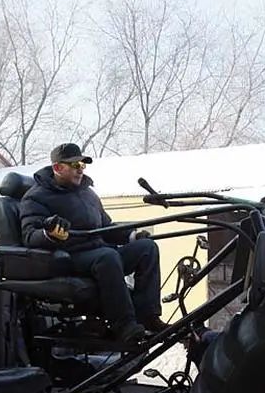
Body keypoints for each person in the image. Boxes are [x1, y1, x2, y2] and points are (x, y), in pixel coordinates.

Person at [19, 143, 164, 341]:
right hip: (69, 257)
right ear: (58, 168)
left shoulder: (88, 193)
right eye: (75, 165)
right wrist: (50, 233)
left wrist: (132, 235)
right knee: (108, 256)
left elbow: (106, 227)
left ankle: (148, 317)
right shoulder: (36, 198)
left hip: (100, 252)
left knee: (147, 248)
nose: (81, 170)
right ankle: (124, 325)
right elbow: (29, 235)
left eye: (83, 165)